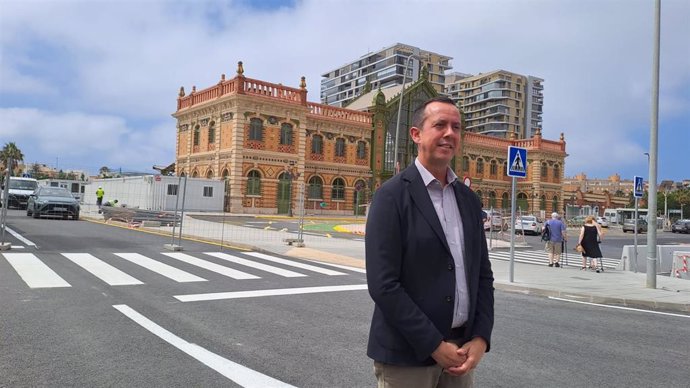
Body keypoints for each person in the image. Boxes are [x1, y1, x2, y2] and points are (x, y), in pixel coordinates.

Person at [366, 96, 494, 388]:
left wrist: (481, 337)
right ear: (416, 134)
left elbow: (482, 275)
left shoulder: (468, 200)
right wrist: (434, 344)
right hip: (407, 356)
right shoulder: (391, 196)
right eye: (440, 125)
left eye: (457, 127)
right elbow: (384, 285)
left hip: (460, 352)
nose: (450, 133)